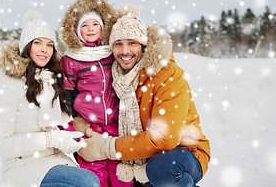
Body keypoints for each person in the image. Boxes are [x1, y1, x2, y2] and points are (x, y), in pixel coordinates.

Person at [77, 12, 211, 187]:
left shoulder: (167, 74)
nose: (125, 51)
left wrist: (107, 147)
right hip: (142, 158)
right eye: (118, 44)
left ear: (143, 45)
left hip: (184, 153)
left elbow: (165, 139)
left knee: (162, 169)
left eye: (132, 43)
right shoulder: (117, 78)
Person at [0, 10, 100, 187]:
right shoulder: (8, 84)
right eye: (38, 43)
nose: (44, 50)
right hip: (23, 165)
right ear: (26, 46)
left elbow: (65, 121)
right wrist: (51, 139)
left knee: (92, 181)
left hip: (56, 159)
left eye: (49, 45)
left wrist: (76, 138)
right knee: (87, 183)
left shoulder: (53, 80)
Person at [59, 0, 133, 187]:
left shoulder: (112, 52)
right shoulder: (71, 59)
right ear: (76, 31)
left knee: (121, 175)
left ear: (103, 28)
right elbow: (65, 96)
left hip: (117, 126)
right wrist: (73, 127)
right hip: (90, 128)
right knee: (94, 176)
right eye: (84, 25)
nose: (90, 29)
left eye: (95, 24)